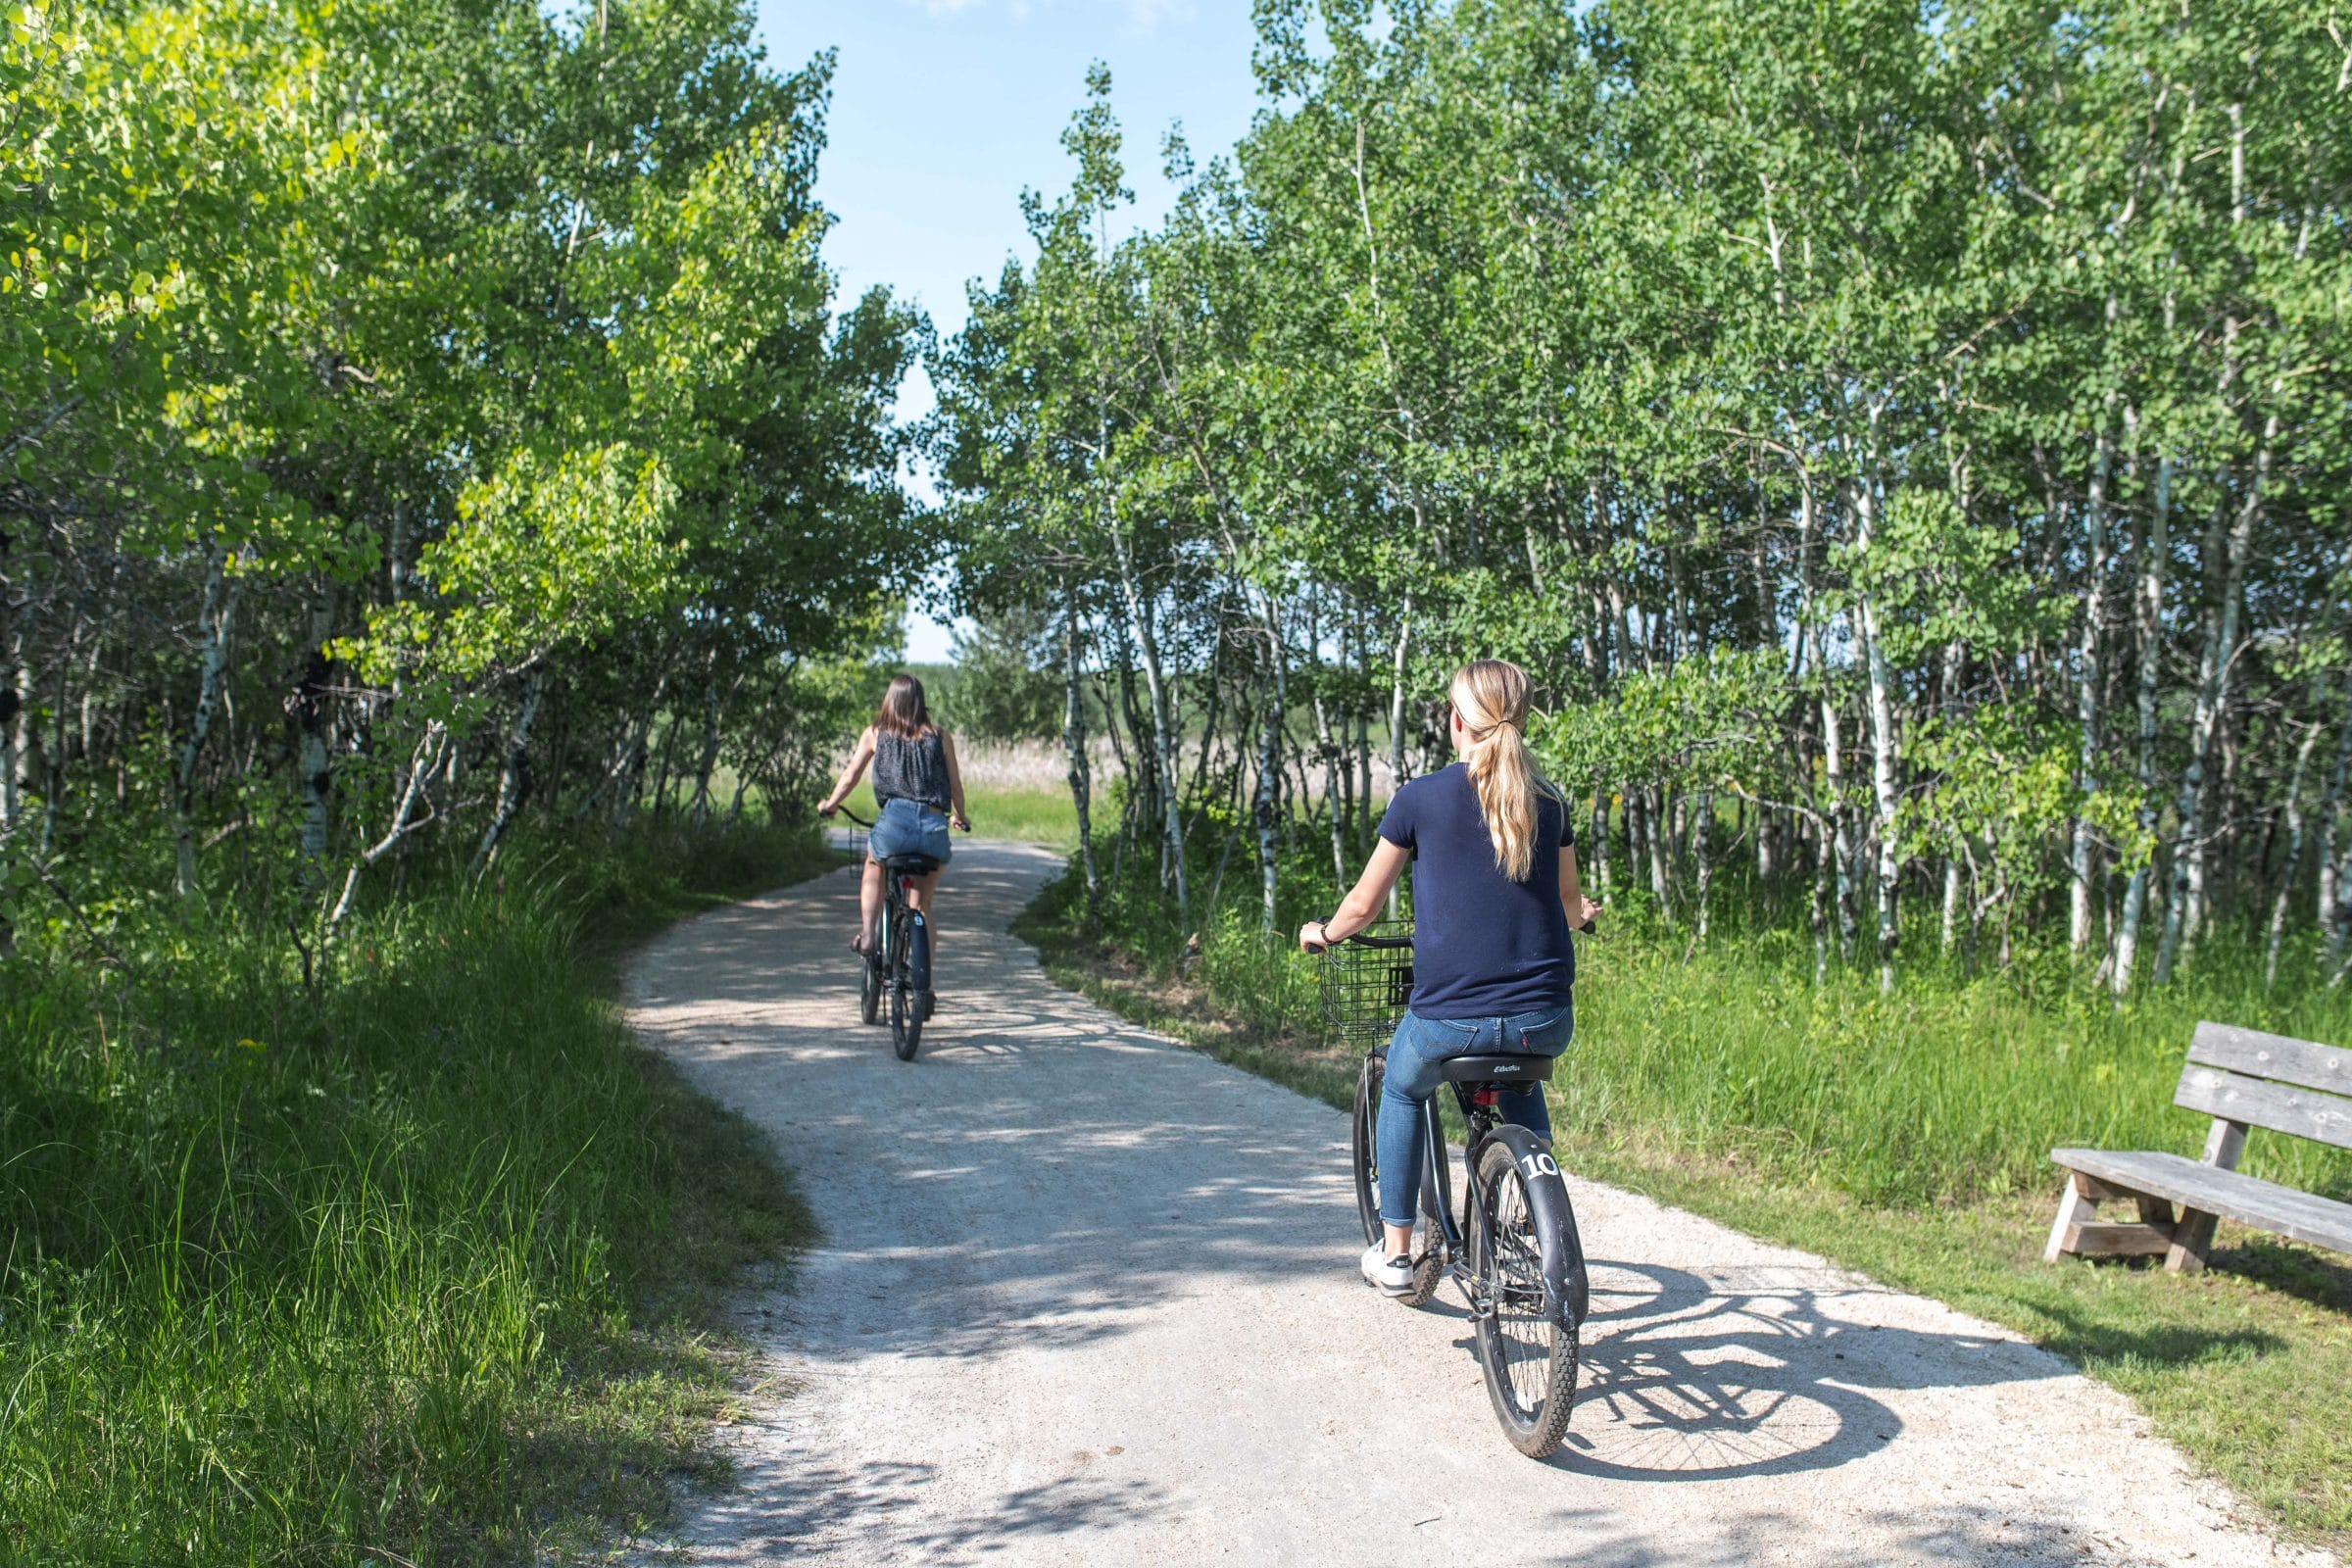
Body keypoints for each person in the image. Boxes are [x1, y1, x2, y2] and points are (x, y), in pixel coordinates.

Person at [1298, 659, 1599, 1296]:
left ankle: (1399, 1252)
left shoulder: (1420, 798)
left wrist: (1323, 933)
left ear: (1456, 722)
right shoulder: (1550, 802)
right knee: (1515, 1073)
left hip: (1450, 1020)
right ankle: (1528, 1214)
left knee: (1405, 1088)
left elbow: (1363, 906)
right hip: (1544, 1020)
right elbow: (1571, 906)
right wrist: (1584, 914)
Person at [818, 675, 971, 978]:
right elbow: (955, 785)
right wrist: (960, 816)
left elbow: (850, 776)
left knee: (874, 862)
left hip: (894, 823)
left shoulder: (875, 733)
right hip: (932, 825)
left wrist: (831, 804)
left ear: (889, 701)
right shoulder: (940, 736)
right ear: (920, 702)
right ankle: (923, 983)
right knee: (923, 905)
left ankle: (868, 935)